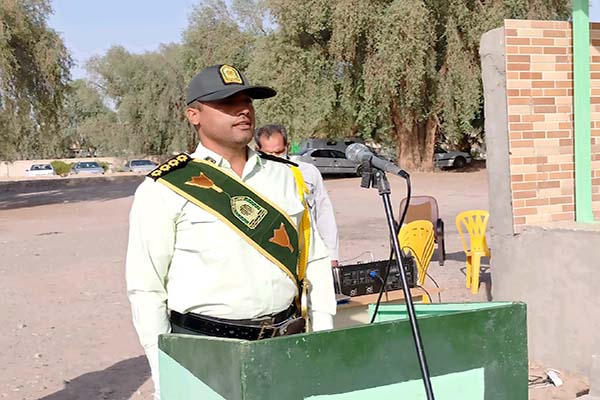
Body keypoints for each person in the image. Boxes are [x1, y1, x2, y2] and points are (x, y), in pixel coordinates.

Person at [125, 64, 336, 399]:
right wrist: (165, 373)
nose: (243, 110)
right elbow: (146, 289)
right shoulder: (164, 188)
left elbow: (315, 261)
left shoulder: (288, 176)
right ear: (194, 115)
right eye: (226, 102)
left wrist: (323, 333)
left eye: (247, 101)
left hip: (285, 343)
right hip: (205, 350)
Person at [254, 125, 340, 267]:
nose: (275, 158)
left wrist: (332, 255)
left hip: (309, 251)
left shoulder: (308, 172)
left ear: (287, 146)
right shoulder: (254, 176)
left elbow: (324, 214)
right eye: (269, 154)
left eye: (279, 152)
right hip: (272, 256)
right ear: (258, 150)